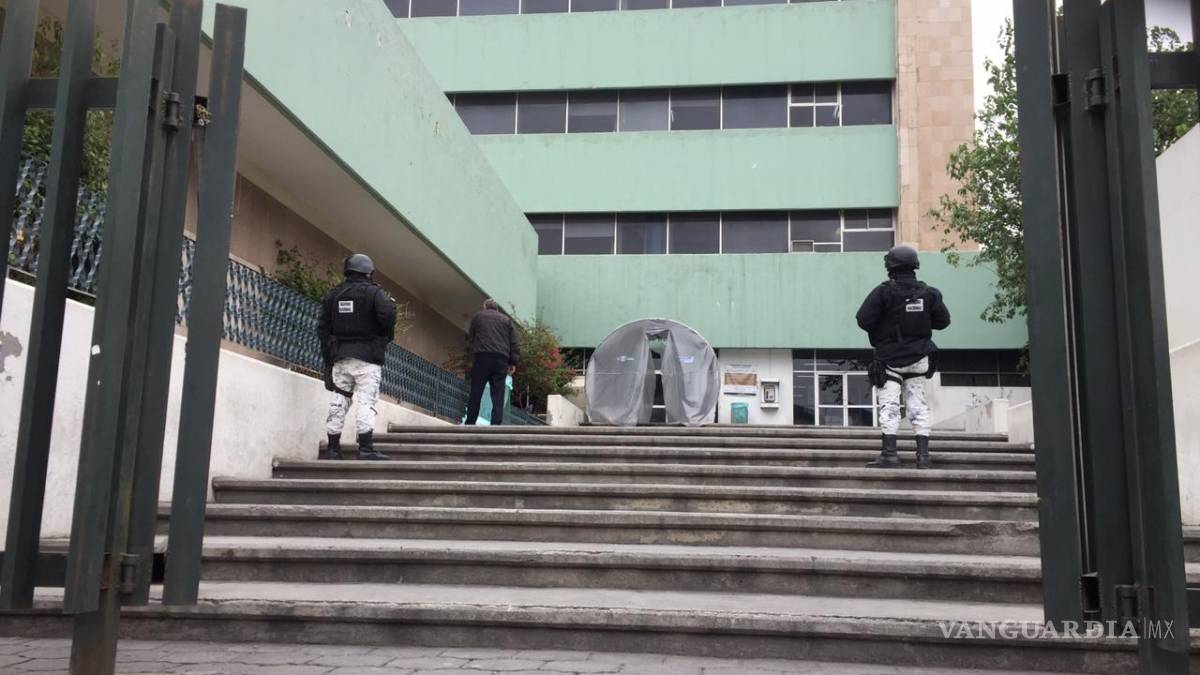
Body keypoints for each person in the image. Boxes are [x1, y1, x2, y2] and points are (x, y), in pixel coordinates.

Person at [855, 245, 951, 469]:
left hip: (890, 359)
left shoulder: (883, 292)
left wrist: (885, 327)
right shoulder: (930, 293)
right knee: (918, 404)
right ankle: (923, 456)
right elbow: (943, 321)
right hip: (919, 358)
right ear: (914, 266)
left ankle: (889, 454)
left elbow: (863, 319)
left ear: (890, 266)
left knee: (889, 404)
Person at [317, 253, 397, 460]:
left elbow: (323, 330)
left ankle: (333, 448)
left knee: (339, 400)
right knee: (366, 401)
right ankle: (365, 448)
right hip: (367, 359)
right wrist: (383, 338)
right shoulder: (374, 293)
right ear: (368, 272)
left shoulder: (333, 294)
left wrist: (328, 362)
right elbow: (388, 317)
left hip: (340, 358)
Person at [464, 299, 520, 426]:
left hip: (482, 357)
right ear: (497, 309)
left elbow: (471, 338)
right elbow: (514, 342)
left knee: (476, 391)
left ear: (485, 307)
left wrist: (472, 356)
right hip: (501, 359)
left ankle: (470, 422)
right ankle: (495, 424)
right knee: (498, 394)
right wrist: (513, 362)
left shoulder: (478, 317)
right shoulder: (506, 320)